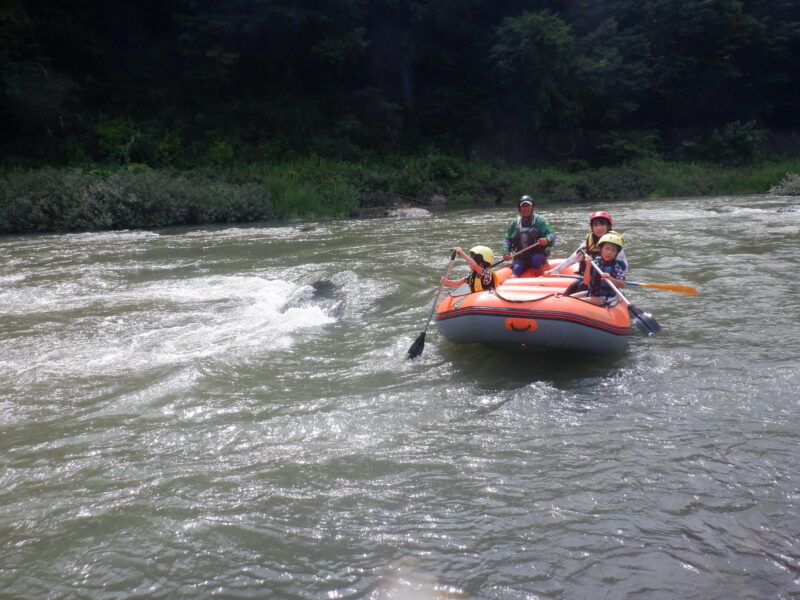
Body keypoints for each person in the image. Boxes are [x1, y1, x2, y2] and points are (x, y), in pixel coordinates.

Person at [547, 210, 627, 295]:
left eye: (602, 225)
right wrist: (554, 270)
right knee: (574, 285)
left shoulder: (614, 245)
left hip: (606, 280)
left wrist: (616, 279)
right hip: (590, 277)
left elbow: (624, 267)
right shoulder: (589, 241)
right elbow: (572, 259)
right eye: (595, 225)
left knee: (582, 286)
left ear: (608, 226)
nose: (598, 228)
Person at [502, 196, 557, 278]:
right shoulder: (515, 223)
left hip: (538, 254)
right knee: (516, 269)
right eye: (523, 206)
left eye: (528, 206)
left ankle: (539, 281)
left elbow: (552, 234)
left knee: (536, 260)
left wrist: (547, 239)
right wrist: (506, 252)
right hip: (521, 256)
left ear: (532, 207)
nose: (526, 208)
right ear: (519, 208)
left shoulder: (540, 221)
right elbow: (507, 239)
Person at [574, 232, 626, 305]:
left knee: (576, 302)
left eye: (613, 250)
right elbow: (586, 282)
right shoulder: (594, 262)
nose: (609, 252)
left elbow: (622, 285)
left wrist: (610, 278)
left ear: (616, 253)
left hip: (606, 298)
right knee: (569, 298)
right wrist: (588, 266)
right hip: (591, 293)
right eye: (607, 249)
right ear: (600, 249)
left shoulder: (616, 267)